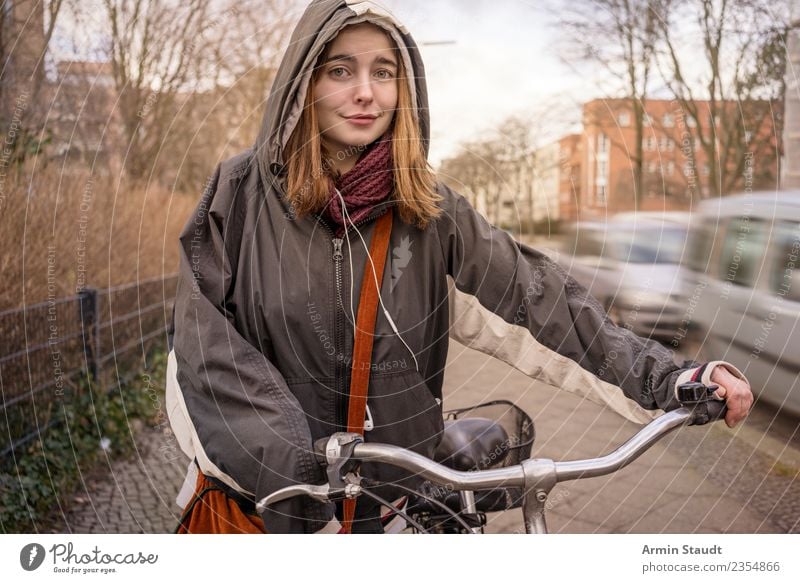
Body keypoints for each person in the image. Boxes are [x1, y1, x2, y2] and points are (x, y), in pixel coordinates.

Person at [166, 0, 753, 534]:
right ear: (304, 83)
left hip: (393, 516)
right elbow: (203, 346)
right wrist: (297, 468)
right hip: (267, 515)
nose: (365, 92)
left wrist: (673, 378)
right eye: (340, 70)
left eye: (384, 72)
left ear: (406, 88)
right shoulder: (238, 194)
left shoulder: (432, 211)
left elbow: (541, 301)